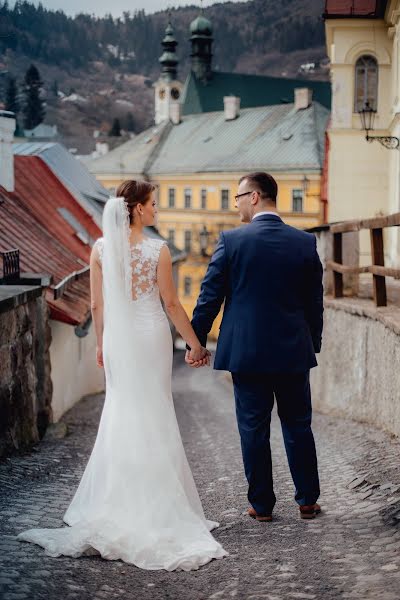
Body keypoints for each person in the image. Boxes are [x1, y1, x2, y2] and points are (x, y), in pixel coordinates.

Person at [17, 180, 227, 571]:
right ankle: (160, 506)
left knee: (121, 413)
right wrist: (195, 345)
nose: (157, 211)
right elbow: (171, 304)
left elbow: (98, 304)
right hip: (149, 338)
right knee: (154, 412)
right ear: (136, 209)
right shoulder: (156, 250)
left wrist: (100, 344)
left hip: (117, 338)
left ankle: (117, 501)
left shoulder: (100, 249)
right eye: (153, 205)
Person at [186, 172, 323, 521]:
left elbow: (210, 297)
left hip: (246, 352)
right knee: (297, 425)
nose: (236, 205)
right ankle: (307, 500)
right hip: (293, 350)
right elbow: (314, 302)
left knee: (253, 428)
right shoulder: (304, 242)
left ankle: (262, 506)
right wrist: (313, 342)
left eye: (238, 197)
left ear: (255, 197)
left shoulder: (232, 241)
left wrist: (196, 341)